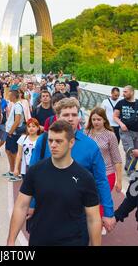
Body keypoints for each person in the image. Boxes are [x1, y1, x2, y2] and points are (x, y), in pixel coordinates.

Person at [30, 98, 115, 240]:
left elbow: (101, 180)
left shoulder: (90, 146)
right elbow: (32, 176)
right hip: (46, 210)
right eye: (66, 115)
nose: (70, 119)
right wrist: (31, 203)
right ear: (57, 117)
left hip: (78, 213)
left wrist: (108, 212)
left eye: (74, 115)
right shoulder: (44, 141)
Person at [7, 120, 102, 246]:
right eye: (50, 141)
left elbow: (93, 218)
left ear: (71, 143)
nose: (53, 145)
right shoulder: (35, 171)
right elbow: (21, 206)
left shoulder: (85, 177)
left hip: (73, 242)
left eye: (59, 141)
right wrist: (11, 241)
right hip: (40, 240)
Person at [85, 107, 123, 231]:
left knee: (101, 199)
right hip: (88, 174)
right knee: (88, 199)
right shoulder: (86, 133)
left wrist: (119, 180)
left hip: (107, 173)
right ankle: (89, 223)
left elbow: (117, 159)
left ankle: (98, 226)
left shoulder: (110, 135)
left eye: (99, 119)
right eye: (94, 119)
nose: (96, 122)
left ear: (104, 120)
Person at [113, 85, 138, 174]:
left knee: (136, 152)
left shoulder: (137, 103)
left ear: (132, 92)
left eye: (125, 92)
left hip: (136, 132)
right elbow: (115, 116)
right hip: (125, 131)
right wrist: (121, 124)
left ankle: (128, 167)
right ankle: (131, 170)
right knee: (130, 150)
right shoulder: (120, 103)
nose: (123, 94)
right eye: (123, 92)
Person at [3, 90, 26, 181]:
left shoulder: (18, 106)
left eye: (9, 95)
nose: (8, 97)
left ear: (13, 96)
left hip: (14, 133)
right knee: (8, 151)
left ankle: (18, 174)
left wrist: (10, 132)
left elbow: (17, 121)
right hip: (11, 132)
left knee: (14, 153)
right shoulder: (15, 105)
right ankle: (12, 171)